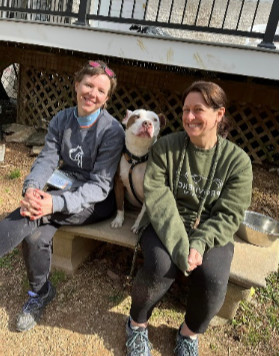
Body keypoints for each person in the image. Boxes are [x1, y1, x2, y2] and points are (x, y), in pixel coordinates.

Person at [125, 81, 253, 356]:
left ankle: (189, 333)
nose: (190, 116)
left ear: (219, 114)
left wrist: (200, 242)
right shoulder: (166, 148)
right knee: (160, 265)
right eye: (186, 110)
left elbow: (230, 213)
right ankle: (136, 324)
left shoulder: (238, 161)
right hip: (165, 222)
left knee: (214, 278)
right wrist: (183, 248)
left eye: (198, 110)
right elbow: (158, 199)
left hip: (211, 230)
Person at [0, 60, 125, 332]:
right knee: (34, 235)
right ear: (77, 84)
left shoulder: (112, 131)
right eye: (88, 85)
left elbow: (100, 186)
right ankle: (40, 292)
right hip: (64, 187)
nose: (92, 93)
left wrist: (53, 203)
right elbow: (47, 160)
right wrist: (32, 188)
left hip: (94, 201)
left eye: (100, 90)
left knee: (31, 216)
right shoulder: (62, 119)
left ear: (106, 98)